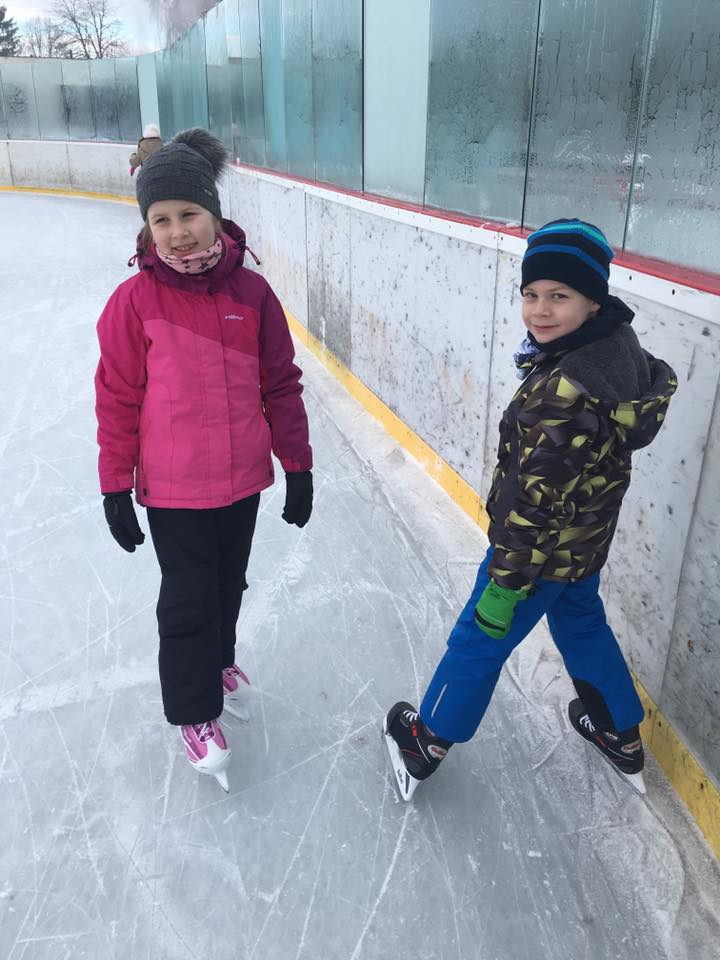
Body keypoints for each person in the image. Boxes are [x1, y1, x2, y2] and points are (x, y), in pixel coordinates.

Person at [382, 219, 677, 801]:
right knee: (582, 623)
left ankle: (427, 741)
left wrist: (506, 581)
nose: (540, 311)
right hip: (582, 543)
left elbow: (537, 503)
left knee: (481, 635)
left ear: (593, 301)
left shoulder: (565, 391)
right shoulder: (614, 352)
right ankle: (617, 730)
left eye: (559, 296)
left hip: (533, 554)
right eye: (531, 293)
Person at [95, 128, 313, 791]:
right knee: (188, 600)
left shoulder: (253, 296)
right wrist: (114, 484)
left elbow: (281, 385)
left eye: (188, 214)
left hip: (241, 480)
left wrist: (297, 466)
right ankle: (194, 712)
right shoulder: (133, 304)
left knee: (228, 585)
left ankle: (219, 661)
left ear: (214, 213)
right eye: (161, 220)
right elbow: (117, 397)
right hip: (174, 489)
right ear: (147, 228)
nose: (177, 232)